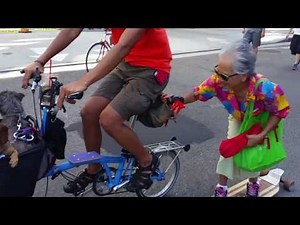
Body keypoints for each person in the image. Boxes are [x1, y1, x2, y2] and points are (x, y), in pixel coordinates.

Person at [21, 28, 172, 193]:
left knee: (109, 119)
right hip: (125, 64)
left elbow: (124, 45)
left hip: (151, 68)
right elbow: (71, 31)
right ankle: (94, 168)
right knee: (89, 112)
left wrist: (83, 82)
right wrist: (40, 61)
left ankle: (146, 161)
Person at [171, 39, 290, 197]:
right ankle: (222, 186)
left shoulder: (266, 89)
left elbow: (280, 111)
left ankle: (254, 182)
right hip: (237, 118)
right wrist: (177, 100)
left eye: (224, 75)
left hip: (258, 121)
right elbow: (197, 93)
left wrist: (262, 135)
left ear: (243, 76)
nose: (217, 78)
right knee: (229, 148)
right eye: (217, 71)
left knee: (253, 151)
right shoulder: (218, 81)